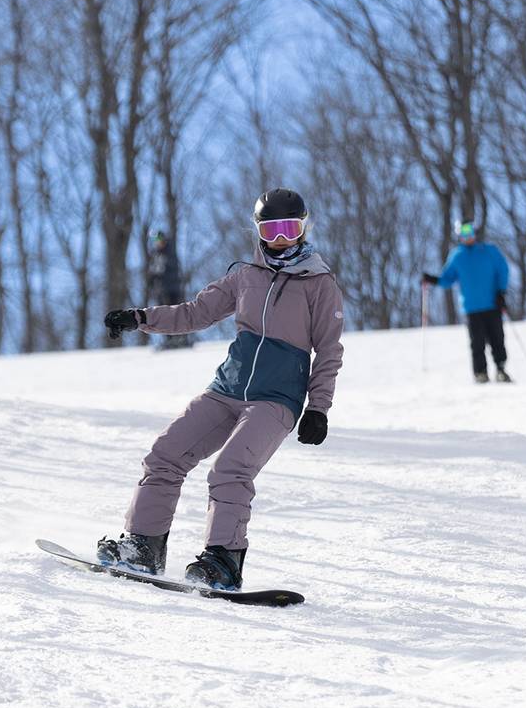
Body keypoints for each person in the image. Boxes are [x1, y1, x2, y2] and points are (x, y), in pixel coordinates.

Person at [97, 188, 345, 590]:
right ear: (259, 231)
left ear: (304, 228)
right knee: (165, 455)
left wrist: (318, 407)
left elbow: (329, 351)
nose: (280, 239)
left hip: (275, 400)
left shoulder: (319, 284)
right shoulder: (244, 276)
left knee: (231, 471)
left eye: (289, 228)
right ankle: (142, 547)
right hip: (226, 389)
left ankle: (223, 561)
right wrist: (141, 317)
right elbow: (195, 313)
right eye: (271, 228)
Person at [422, 219, 513, 383]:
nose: (467, 237)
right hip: (472, 307)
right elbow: (447, 278)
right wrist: (432, 280)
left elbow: (503, 270)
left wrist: (501, 292)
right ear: (459, 236)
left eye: (470, 232)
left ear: (474, 233)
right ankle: (480, 373)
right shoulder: (457, 256)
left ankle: (501, 369)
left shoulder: (489, 251)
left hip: (492, 303)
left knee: (497, 338)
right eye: (463, 234)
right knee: (477, 342)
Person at [143, 228, 191, 350]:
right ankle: (169, 338)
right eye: (155, 240)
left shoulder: (168, 253)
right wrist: (151, 281)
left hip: (171, 289)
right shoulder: (157, 254)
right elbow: (154, 272)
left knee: (174, 312)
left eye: (159, 239)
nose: (157, 242)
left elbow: (165, 270)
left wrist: (156, 275)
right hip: (162, 290)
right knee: (163, 314)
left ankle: (180, 337)